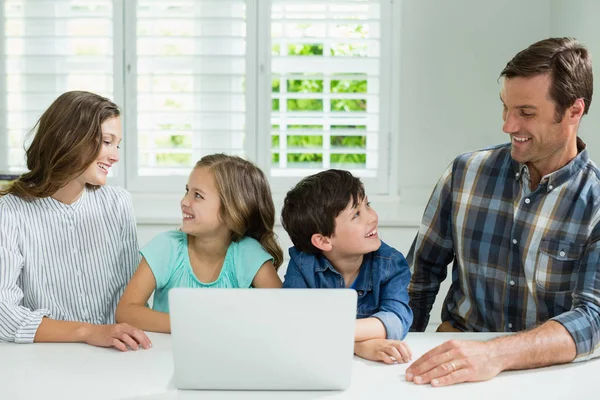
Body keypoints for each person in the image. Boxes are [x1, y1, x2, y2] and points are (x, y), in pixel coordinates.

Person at [406, 37, 599, 386]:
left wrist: (494, 354)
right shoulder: (464, 173)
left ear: (574, 111)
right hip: (456, 367)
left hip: (553, 376)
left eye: (526, 113)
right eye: (505, 108)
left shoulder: (596, 203)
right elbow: (417, 278)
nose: (508, 126)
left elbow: (593, 318)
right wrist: (396, 353)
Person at [0, 91, 151, 351]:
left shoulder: (118, 203)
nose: (115, 156)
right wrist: (87, 332)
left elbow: (130, 302)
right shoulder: (10, 212)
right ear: (70, 139)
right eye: (106, 142)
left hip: (117, 355)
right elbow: (4, 313)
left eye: (118, 145)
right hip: (45, 359)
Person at [115, 154, 283, 333]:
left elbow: (283, 314)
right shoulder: (167, 247)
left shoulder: (249, 254)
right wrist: (194, 325)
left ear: (233, 209)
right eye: (187, 190)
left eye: (197, 195)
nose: (184, 201)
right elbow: (125, 312)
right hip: (165, 357)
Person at [281, 169, 413, 364]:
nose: (372, 217)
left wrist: (328, 332)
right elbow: (291, 323)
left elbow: (396, 319)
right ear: (323, 241)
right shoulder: (303, 264)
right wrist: (358, 346)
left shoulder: (390, 263)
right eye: (356, 214)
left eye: (367, 205)